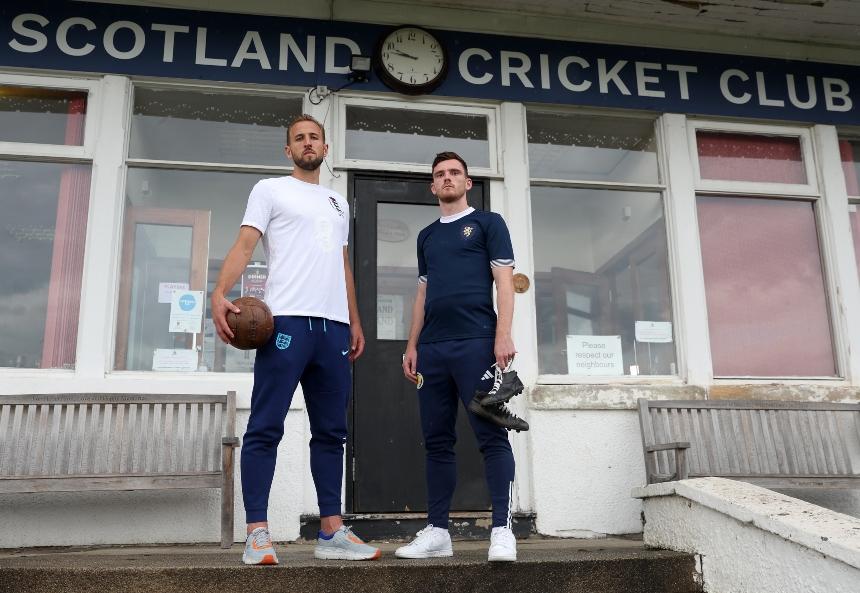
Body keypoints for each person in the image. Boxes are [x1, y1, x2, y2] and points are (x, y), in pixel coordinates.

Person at [211, 114, 380, 565]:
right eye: (299, 139)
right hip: (284, 324)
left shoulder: (338, 202)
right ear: (288, 150)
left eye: (314, 137)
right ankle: (257, 533)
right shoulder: (270, 190)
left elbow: (341, 265)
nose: (308, 143)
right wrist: (219, 292)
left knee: (331, 432)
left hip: (333, 329)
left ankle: (331, 531)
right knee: (265, 427)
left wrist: (355, 320)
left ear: (326, 147)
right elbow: (246, 244)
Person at [397, 151, 526, 563]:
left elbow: (504, 283)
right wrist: (412, 344)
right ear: (433, 187)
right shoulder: (427, 236)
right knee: (437, 442)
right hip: (433, 350)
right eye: (440, 175)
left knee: (491, 436)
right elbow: (422, 293)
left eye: (455, 173)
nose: (447, 178)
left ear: (468, 182)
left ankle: (503, 530)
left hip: (477, 343)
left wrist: (502, 335)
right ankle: (437, 531)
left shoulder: (488, 223)